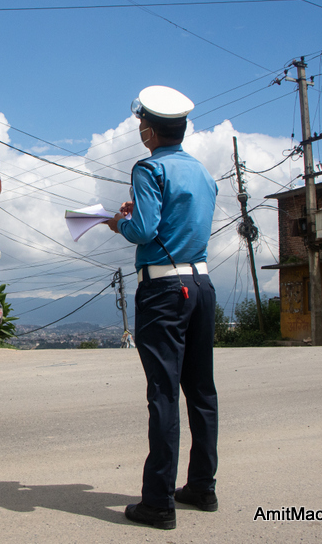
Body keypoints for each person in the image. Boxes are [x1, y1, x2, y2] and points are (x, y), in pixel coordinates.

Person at [105, 85, 220, 530]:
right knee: (201, 390)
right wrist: (141, 219)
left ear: (150, 131)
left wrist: (119, 221)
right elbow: (176, 222)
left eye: (140, 125)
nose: (139, 131)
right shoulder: (202, 173)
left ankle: (157, 503)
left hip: (164, 292)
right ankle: (201, 487)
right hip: (201, 284)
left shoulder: (149, 169)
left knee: (164, 394)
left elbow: (144, 232)